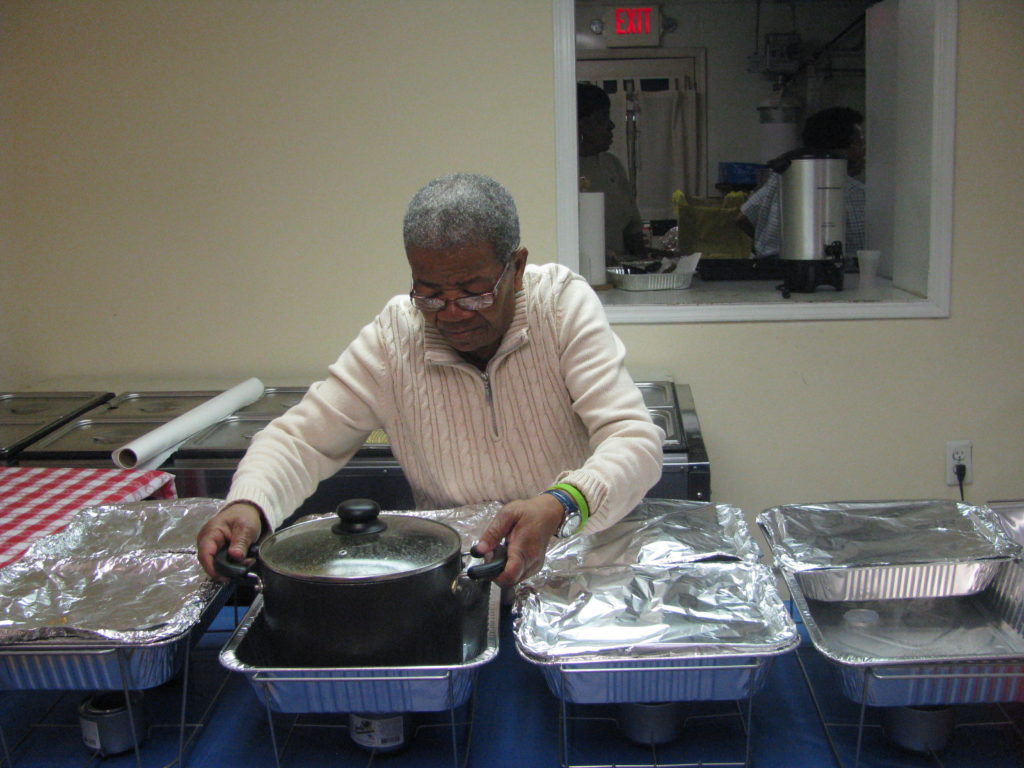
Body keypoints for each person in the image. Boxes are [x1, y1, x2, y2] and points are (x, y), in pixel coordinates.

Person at [196, 173, 665, 589]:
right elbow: (299, 441)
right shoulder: (393, 338)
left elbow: (634, 440)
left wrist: (562, 504)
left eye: (473, 292)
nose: (453, 313)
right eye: (430, 294)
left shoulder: (561, 307)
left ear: (517, 269)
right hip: (458, 580)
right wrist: (249, 505)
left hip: (574, 570)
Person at [736, 106, 866, 261]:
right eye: (860, 144)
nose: (864, 151)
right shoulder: (859, 194)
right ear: (843, 150)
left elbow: (742, 218)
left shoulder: (783, 176)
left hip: (769, 270)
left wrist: (765, 246)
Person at [577, 83, 647, 261]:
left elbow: (633, 229)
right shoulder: (563, 169)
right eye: (601, 119)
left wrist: (646, 262)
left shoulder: (612, 165)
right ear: (580, 125)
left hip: (621, 273)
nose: (611, 125)